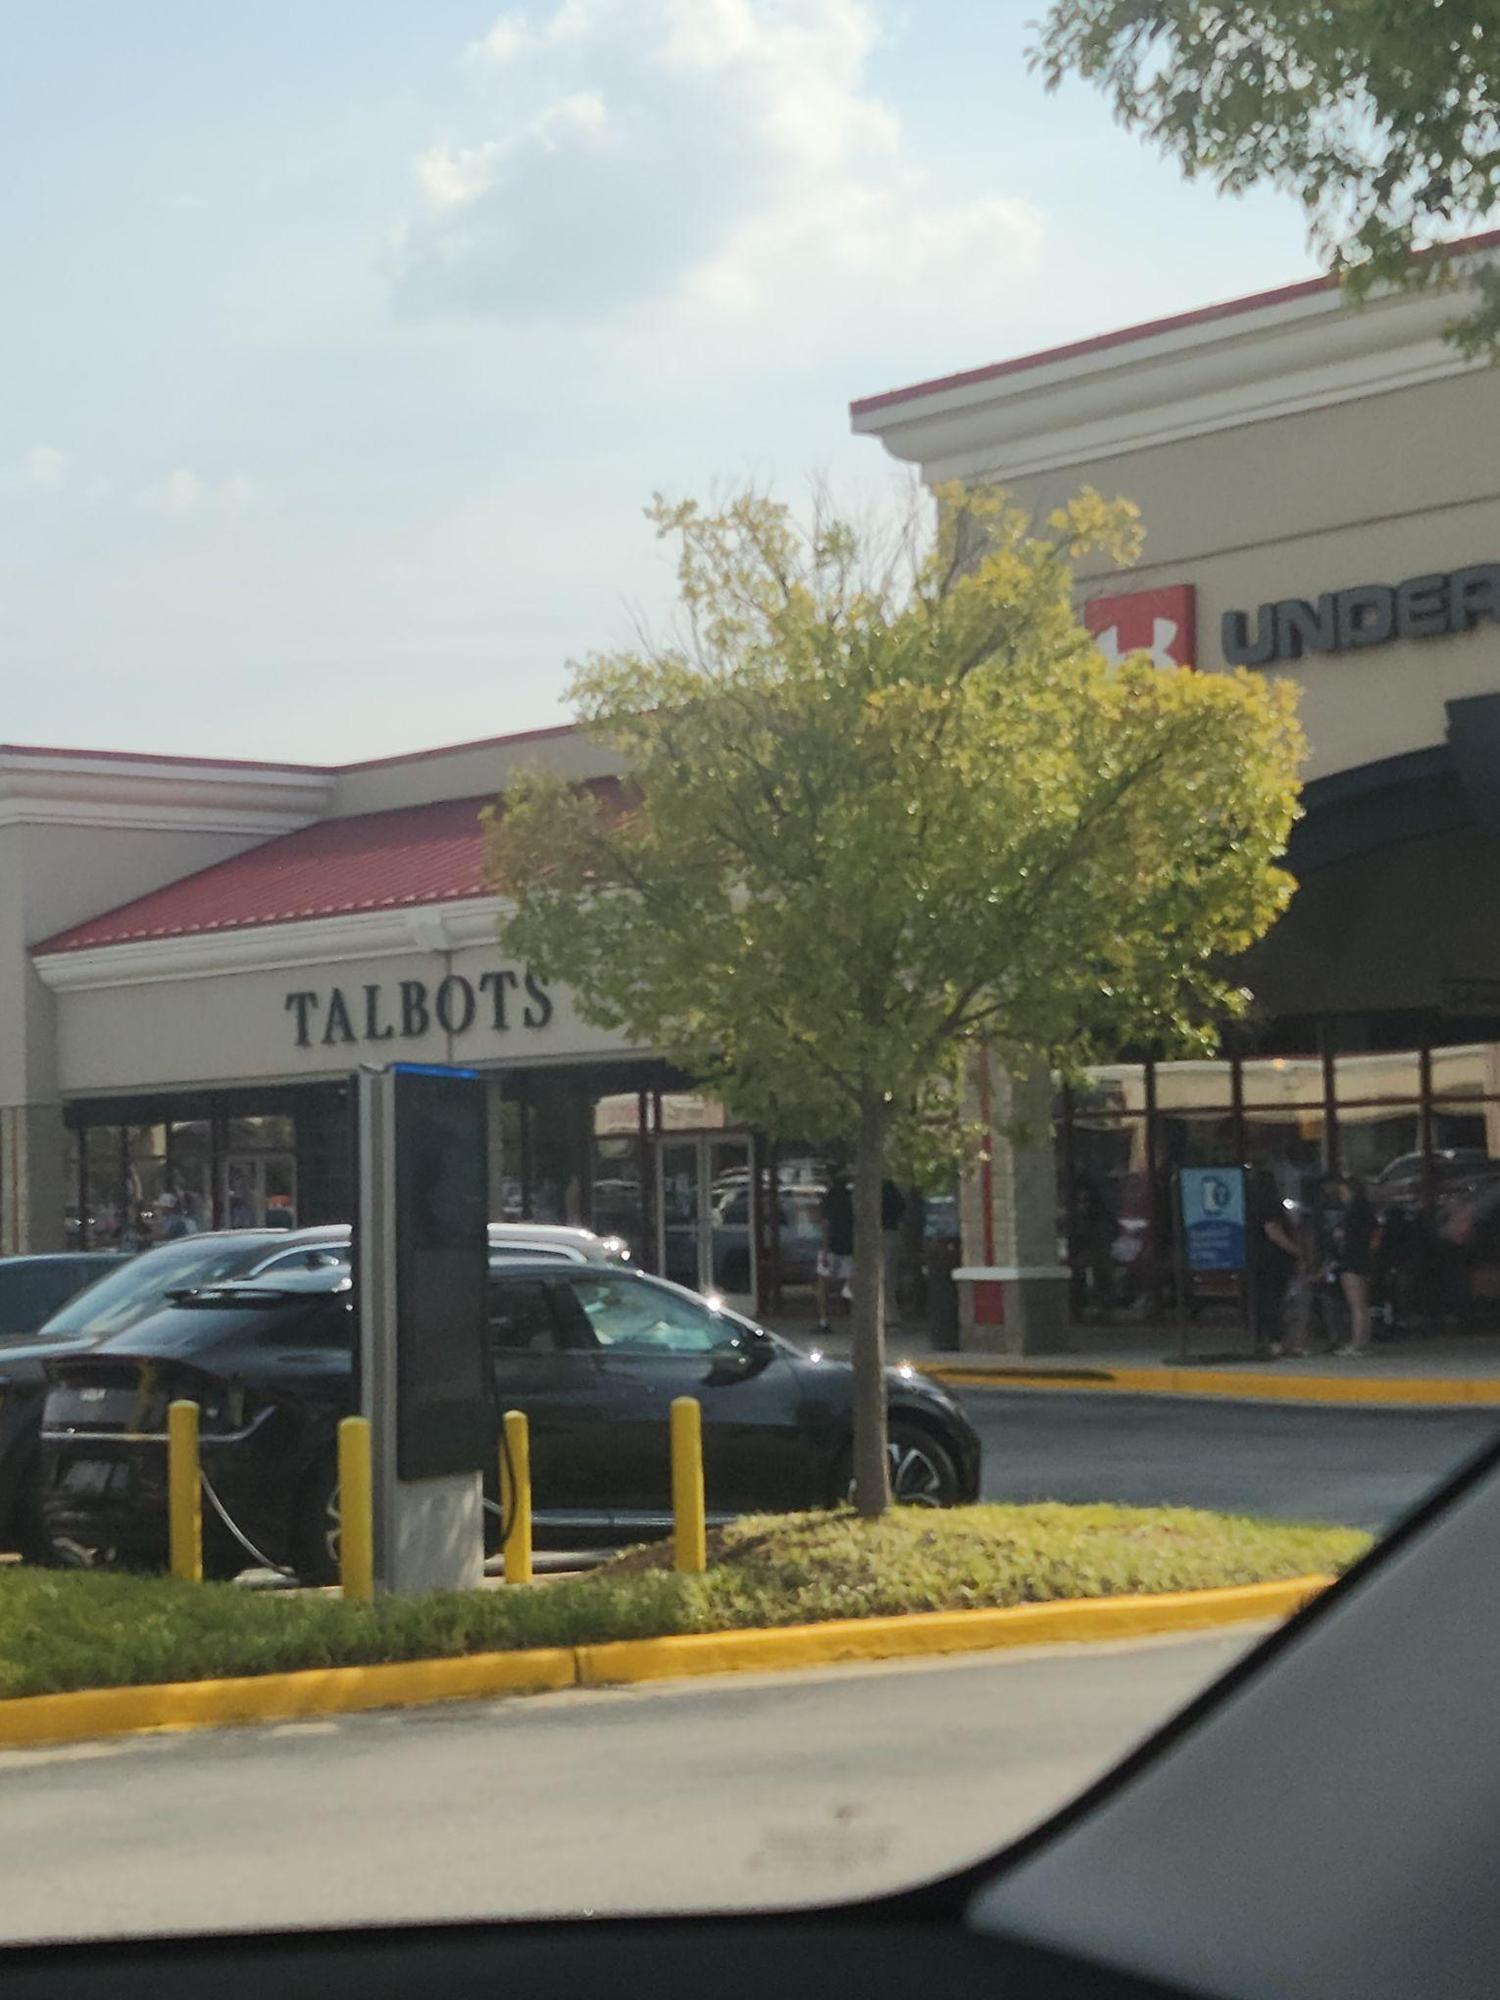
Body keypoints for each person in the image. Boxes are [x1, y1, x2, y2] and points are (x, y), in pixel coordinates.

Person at [1247, 1166, 1298, 1356]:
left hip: (1257, 1257)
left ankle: (1263, 1339)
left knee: (1261, 1300)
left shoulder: (1249, 1204)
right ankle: (1276, 1340)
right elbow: (1274, 1233)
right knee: (1274, 1300)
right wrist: (1296, 1251)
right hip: (1273, 1259)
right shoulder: (1270, 1205)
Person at [1330, 1170, 1378, 1356]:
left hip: (1350, 1259)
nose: (1341, 1197)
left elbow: (1345, 1235)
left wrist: (1340, 1235)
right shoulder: (1366, 1209)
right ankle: (1363, 1341)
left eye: (1342, 1192)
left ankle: (1357, 1343)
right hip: (1364, 1257)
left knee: (1356, 1304)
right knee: (1363, 1304)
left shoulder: (1352, 1211)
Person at [816, 1168, 855, 1334]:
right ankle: (854, 1319)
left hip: (832, 1247)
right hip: (849, 1247)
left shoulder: (829, 1198)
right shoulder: (852, 1199)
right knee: (849, 1284)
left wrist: (824, 1250)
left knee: (823, 1285)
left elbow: (826, 1224)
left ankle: (824, 1320)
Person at [881, 1178, 907, 1321]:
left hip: (884, 1234)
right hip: (893, 1233)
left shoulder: (880, 1193)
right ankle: (891, 1314)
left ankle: (889, 1315)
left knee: (884, 1277)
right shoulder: (894, 1193)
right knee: (890, 1275)